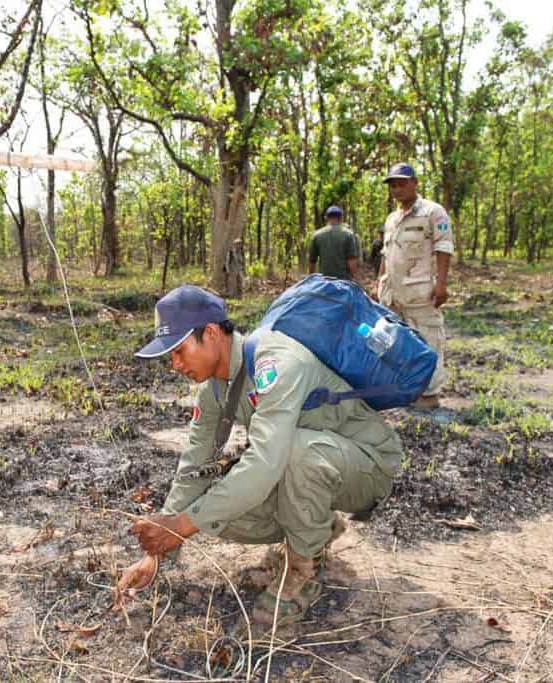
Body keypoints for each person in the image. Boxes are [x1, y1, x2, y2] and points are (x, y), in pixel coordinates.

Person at [117, 286, 402, 625]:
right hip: (319, 469)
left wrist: (180, 525)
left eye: (179, 351)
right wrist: (159, 550)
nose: (175, 365)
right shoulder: (215, 390)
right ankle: (316, 528)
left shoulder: (276, 362)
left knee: (291, 452)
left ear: (210, 333)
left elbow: (265, 465)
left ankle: (304, 568)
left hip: (368, 466)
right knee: (213, 502)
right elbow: (193, 466)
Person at [375, 164, 453, 409]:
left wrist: (441, 284)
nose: (396, 189)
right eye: (392, 185)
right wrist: (378, 282)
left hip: (420, 291)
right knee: (397, 342)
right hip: (394, 294)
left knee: (429, 340)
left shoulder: (432, 212)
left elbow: (444, 247)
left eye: (401, 183)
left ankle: (429, 395)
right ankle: (406, 389)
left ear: (414, 182)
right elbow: (386, 255)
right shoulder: (392, 219)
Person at [307, 206, 361, 283]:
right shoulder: (348, 234)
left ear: (326, 218)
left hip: (324, 281)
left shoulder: (316, 235)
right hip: (343, 281)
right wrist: (357, 279)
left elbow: (311, 261)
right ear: (341, 218)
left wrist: (310, 280)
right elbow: (351, 260)